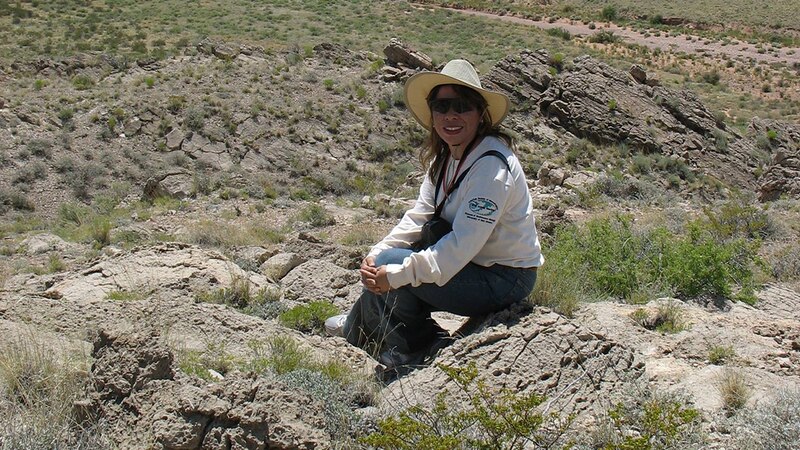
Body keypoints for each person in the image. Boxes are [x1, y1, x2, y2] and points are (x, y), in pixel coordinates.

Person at [326, 59, 544, 376]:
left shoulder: (491, 170)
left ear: (480, 113)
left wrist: (394, 274)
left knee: (397, 267)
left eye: (462, 106)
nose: (450, 116)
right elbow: (417, 218)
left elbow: (459, 247)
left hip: (505, 278)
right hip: (474, 265)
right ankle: (374, 328)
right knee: (387, 259)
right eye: (441, 106)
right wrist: (373, 256)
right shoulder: (445, 160)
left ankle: (412, 342)